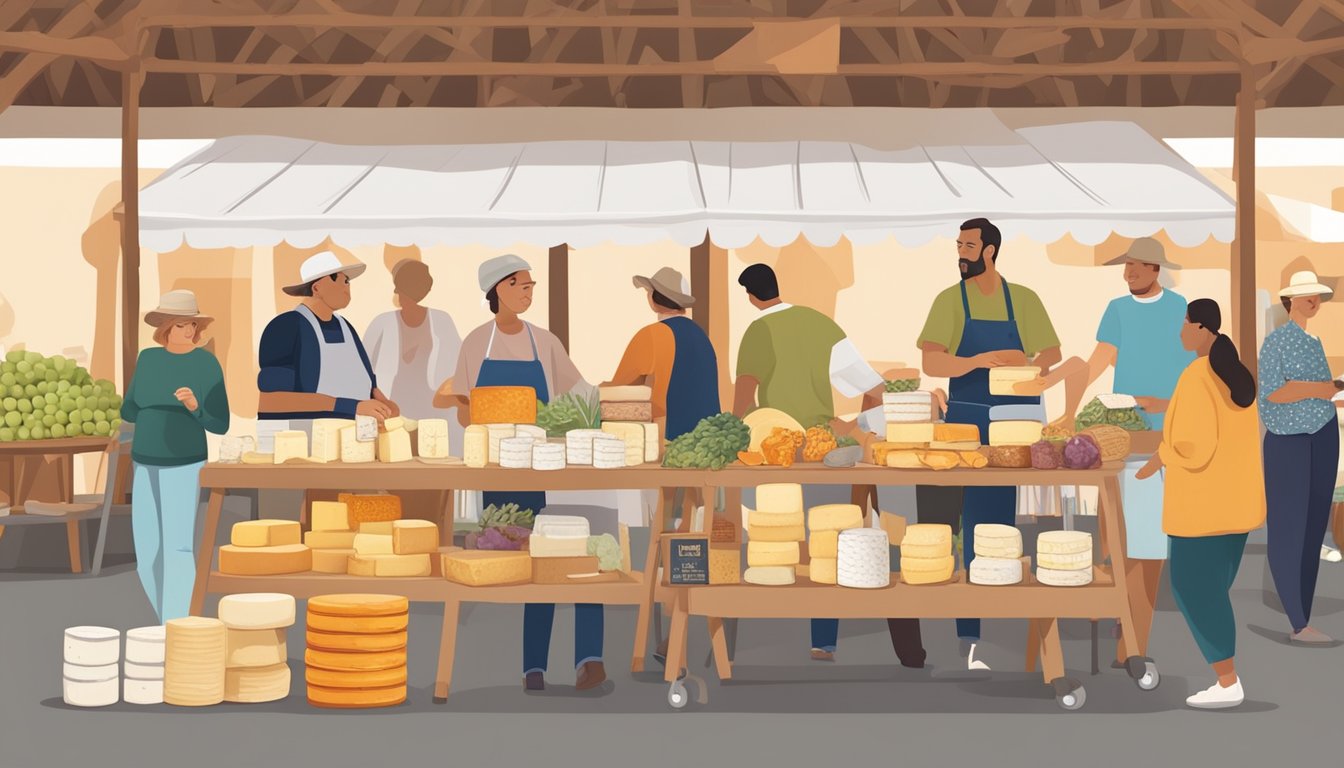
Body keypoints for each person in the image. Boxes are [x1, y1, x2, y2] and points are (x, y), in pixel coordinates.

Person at [734, 263, 924, 667]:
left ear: (751, 296)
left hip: (778, 454)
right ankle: (826, 641)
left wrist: (737, 437)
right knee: (831, 542)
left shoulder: (756, 332)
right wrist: (855, 426)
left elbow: (743, 394)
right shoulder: (821, 325)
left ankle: (761, 638)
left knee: (781, 544)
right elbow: (875, 389)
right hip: (824, 451)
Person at [437, 254, 606, 693]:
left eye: (532, 285)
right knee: (529, 567)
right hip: (501, 472)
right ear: (497, 291)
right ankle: (534, 666)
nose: (529, 292)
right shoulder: (476, 343)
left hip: (549, 464)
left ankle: (588, 660)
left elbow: (579, 393)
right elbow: (464, 412)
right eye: (520, 285)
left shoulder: (545, 342)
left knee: (569, 560)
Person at [918, 218, 1061, 671]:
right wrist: (977, 360)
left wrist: (1027, 359)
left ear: (991, 251)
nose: (960, 252)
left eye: (969, 245)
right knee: (962, 520)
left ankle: (999, 620)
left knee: (1000, 520)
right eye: (958, 244)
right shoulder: (948, 299)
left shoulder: (1025, 299)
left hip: (1014, 425)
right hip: (966, 424)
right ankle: (968, 630)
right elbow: (931, 358)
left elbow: (1053, 355)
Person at [1054, 238, 1194, 668]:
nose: (1128, 273)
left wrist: (1169, 405)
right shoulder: (1117, 309)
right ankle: (1118, 620)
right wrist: (1069, 410)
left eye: (1135, 267)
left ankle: (1133, 643)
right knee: (1113, 538)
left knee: (1147, 549)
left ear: (1154, 269)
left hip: (1163, 439)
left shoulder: (1180, 309)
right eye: (1126, 266)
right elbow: (1099, 360)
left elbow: (1193, 372)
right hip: (1121, 438)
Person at [1136, 298, 1263, 709]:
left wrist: (1161, 456)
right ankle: (1227, 678)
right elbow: (1212, 420)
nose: (1181, 332)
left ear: (1202, 329)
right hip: (1236, 507)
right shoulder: (1233, 373)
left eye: (1185, 325)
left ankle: (1228, 683)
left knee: (1193, 589)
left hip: (1201, 509)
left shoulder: (1195, 374)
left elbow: (1192, 444)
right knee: (1215, 589)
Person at [120, 291, 229, 622]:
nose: (189, 331)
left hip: (184, 463)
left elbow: (220, 423)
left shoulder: (205, 363)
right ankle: (162, 623)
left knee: (178, 549)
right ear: (165, 327)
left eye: (192, 324)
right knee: (147, 552)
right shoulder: (149, 358)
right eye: (181, 325)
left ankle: (176, 626)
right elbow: (130, 407)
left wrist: (195, 408)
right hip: (143, 461)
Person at [1258, 270, 1344, 644]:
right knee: (1288, 527)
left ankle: (1303, 616)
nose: (1314, 300)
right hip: (1289, 439)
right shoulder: (1276, 342)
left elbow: (1315, 392)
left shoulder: (1313, 341)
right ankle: (1296, 619)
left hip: (1323, 434)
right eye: (1306, 295)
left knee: (1313, 528)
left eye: (1317, 295)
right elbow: (1274, 394)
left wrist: (1328, 392)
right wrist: (1323, 389)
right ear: (1290, 300)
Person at [257, 251, 398, 443]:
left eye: (347, 280)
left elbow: (370, 388)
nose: (346, 286)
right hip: (303, 446)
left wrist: (386, 406)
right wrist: (351, 407)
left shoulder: (346, 328)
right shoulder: (285, 327)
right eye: (338, 279)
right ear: (316, 287)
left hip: (356, 444)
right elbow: (271, 401)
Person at [603, 267, 720, 440]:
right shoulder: (700, 334)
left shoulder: (652, 334)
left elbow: (623, 385)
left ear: (654, 298)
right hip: (711, 435)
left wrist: (603, 388)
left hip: (670, 436)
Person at [364, 258, 462, 428]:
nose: (401, 296)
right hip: (392, 411)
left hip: (434, 413)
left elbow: (459, 366)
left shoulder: (441, 321)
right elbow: (362, 367)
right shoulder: (381, 323)